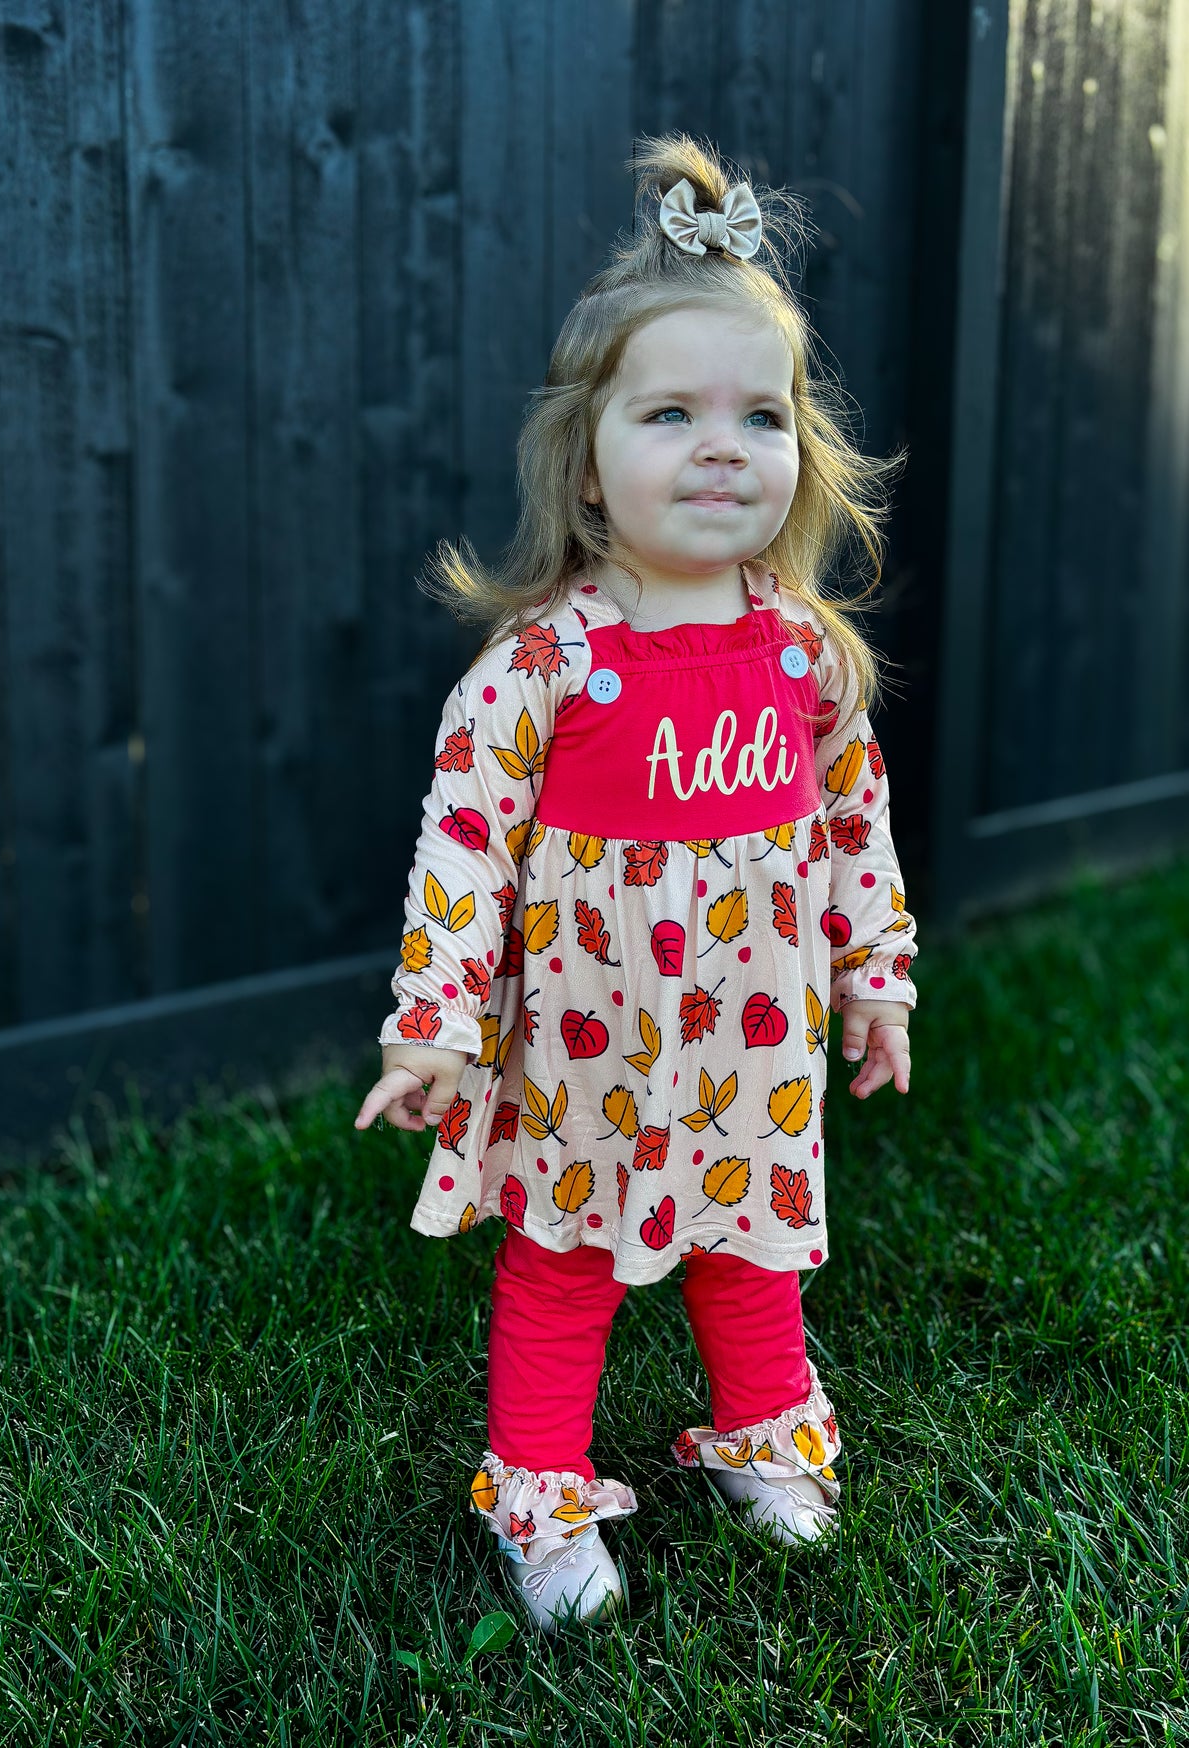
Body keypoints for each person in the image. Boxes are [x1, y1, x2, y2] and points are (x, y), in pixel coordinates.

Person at [353, 131, 917, 1634]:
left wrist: (876, 976)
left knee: (753, 1249)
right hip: (589, 1050)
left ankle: (761, 1435)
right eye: (670, 414)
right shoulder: (547, 662)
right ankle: (538, 1494)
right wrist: (432, 1021)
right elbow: (461, 847)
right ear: (587, 463)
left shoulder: (801, 652)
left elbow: (850, 826)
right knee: (564, 1269)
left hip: (748, 1048)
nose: (721, 446)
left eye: (759, 414)